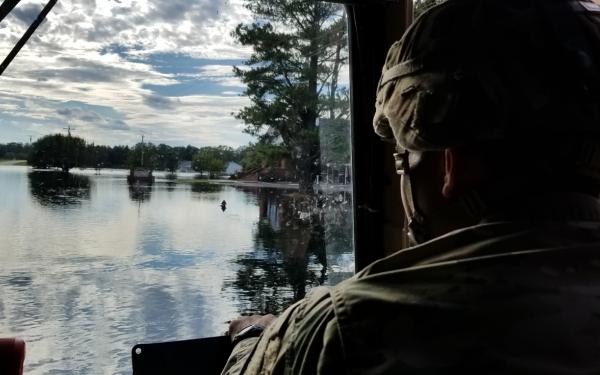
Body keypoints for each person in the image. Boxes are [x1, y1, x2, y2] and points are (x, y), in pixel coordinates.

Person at [222, 0, 600, 373]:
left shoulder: (352, 325)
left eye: (403, 158)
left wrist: (255, 334)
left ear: (455, 164)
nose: (401, 177)